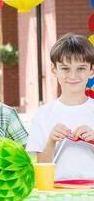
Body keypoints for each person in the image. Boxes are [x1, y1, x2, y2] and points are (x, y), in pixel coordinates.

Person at [26, 33, 94, 180]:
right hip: (57, 189)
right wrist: (51, 141)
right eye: (65, 68)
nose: (73, 76)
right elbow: (41, 166)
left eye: (81, 68)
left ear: (91, 71)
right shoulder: (42, 114)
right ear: (54, 70)